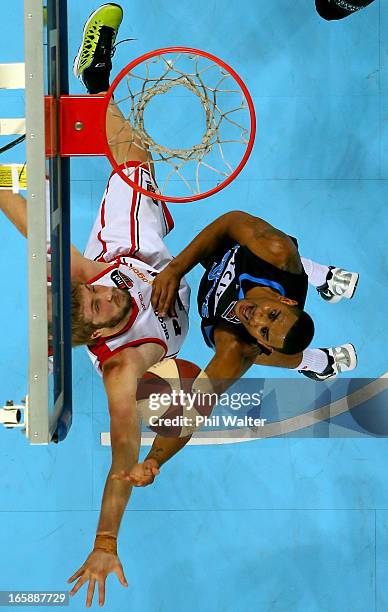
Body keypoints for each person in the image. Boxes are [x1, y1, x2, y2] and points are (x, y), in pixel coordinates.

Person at [0, 4, 191, 607]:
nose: (108, 293)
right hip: (175, 292)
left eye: (97, 293)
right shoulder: (121, 370)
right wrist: (106, 538)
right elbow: (123, 458)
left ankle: (94, 81)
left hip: (133, 245)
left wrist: (2, 186)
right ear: (101, 330)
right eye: (105, 303)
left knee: (130, 149)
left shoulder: (96, 277)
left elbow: (39, 237)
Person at [117, 211, 359, 491]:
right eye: (272, 314)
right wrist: (174, 270)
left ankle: (319, 363)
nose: (256, 318)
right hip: (242, 258)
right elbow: (229, 222)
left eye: (264, 331)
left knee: (248, 354)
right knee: (279, 253)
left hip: (224, 307)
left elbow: (195, 408)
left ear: (264, 341)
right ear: (283, 299)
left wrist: (154, 459)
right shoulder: (275, 251)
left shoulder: (239, 347)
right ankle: (321, 277)